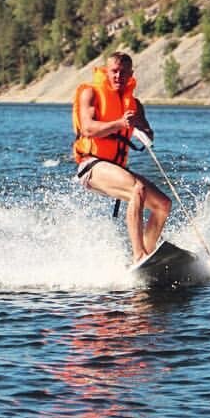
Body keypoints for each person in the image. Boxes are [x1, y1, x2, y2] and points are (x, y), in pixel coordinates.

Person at [72, 51, 171, 263]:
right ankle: (139, 255)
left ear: (131, 73)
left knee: (163, 204)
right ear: (107, 72)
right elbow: (88, 129)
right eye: (114, 71)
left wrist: (140, 127)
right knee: (138, 189)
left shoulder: (135, 105)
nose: (118, 76)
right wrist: (119, 123)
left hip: (116, 168)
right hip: (91, 166)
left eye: (123, 72)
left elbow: (149, 135)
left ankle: (147, 254)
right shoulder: (90, 94)